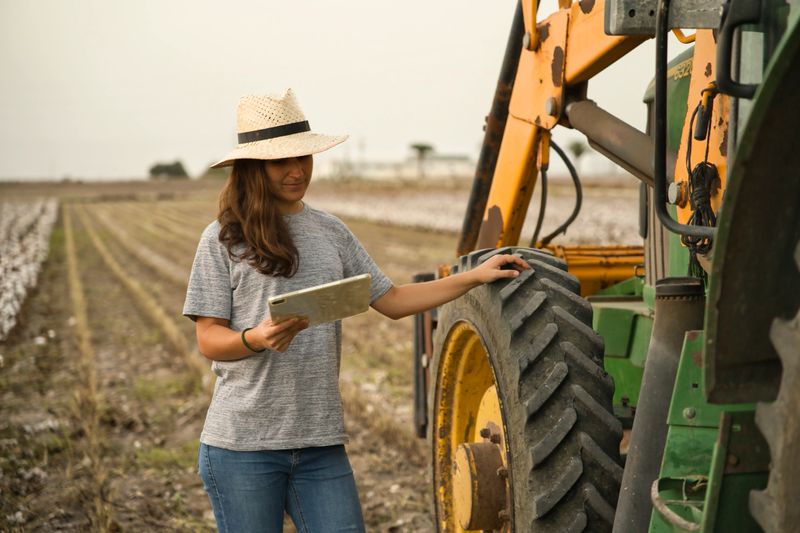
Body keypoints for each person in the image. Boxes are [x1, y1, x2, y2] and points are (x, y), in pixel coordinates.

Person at [183, 89, 530, 533]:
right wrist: (256, 338)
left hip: (320, 443)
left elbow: (394, 300)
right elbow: (208, 339)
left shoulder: (331, 232)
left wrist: (475, 276)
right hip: (241, 448)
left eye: (304, 157)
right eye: (281, 162)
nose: (297, 171)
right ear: (254, 168)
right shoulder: (221, 240)